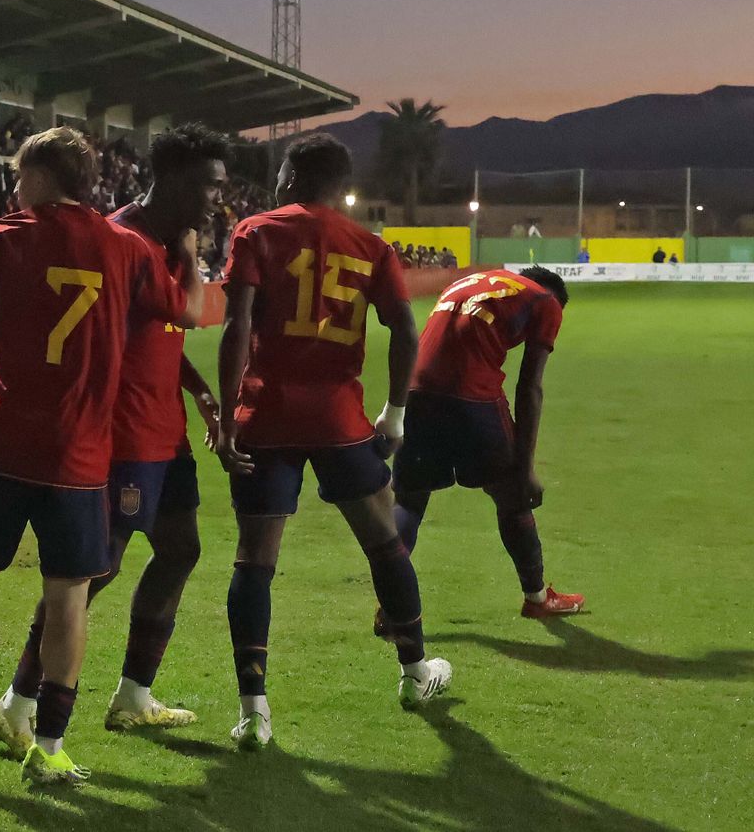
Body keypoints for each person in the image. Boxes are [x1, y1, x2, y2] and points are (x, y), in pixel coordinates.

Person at [0, 127, 203, 785]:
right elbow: (185, 311)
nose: (14, 185)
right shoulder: (128, 247)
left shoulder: (3, 236)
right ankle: (50, 745)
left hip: (0, 447)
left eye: (19, 174)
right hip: (77, 458)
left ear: (40, 176)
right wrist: (192, 256)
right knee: (68, 600)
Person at [0, 124, 227, 756]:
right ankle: (19, 701)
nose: (216, 199)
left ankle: (133, 695)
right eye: (209, 186)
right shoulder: (119, 239)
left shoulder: (169, 245)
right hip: (122, 432)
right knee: (93, 569)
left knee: (181, 548)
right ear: (175, 182)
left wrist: (199, 390)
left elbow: (159, 335)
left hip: (166, 431)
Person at [213, 134, 452, 753]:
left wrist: (230, 415)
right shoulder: (371, 246)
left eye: (281, 172)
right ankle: (414, 672)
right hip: (339, 419)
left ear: (293, 175)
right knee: (385, 544)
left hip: (267, 416)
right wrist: (395, 413)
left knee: (254, 560)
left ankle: (254, 711)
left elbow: (237, 323)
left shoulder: (256, 231)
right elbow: (405, 329)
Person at [390, 267, 584, 621]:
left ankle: (391, 609)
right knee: (513, 497)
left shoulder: (470, 282)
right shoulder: (546, 301)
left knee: (409, 501)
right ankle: (537, 598)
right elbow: (530, 387)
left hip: (415, 391)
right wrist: (525, 469)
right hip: (472, 397)